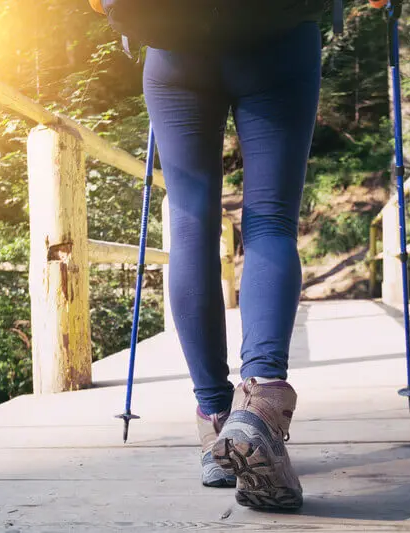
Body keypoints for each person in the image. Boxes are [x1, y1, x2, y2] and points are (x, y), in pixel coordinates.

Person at [90, 0, 326, 511]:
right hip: (278, 37)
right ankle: (261, 406)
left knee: (191, 227)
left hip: (175, 45)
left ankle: (216, 422)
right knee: (270, 221)